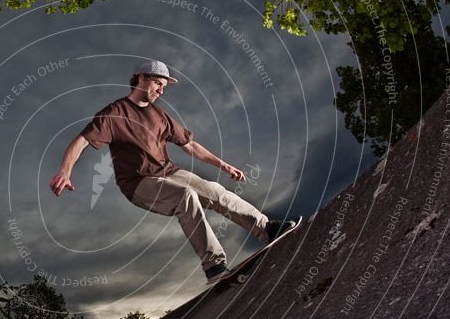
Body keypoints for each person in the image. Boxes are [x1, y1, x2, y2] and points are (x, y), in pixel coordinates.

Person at [49, 60, 295, 283]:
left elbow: (190, 146)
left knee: (216, 191)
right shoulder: (114, 113)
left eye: (164, 87)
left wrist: (223, 165)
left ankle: (267, 229)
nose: (160, 91)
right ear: (142, 78)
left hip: (168, 172)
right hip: (138, 183)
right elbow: (81, 141)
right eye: (157, 83)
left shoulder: (159, 115)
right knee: (185, 196)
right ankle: (214, 266)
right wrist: (65, 171)